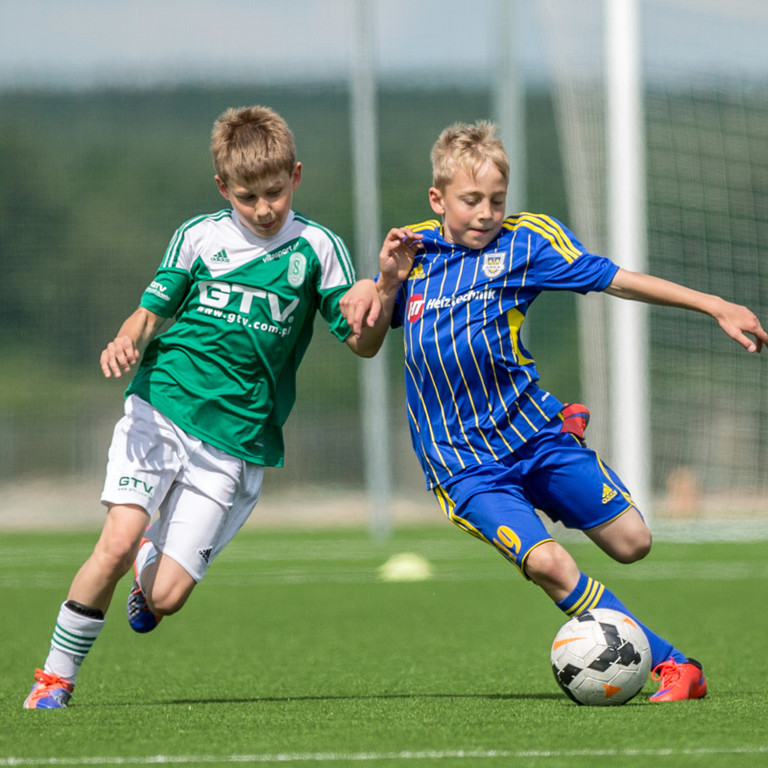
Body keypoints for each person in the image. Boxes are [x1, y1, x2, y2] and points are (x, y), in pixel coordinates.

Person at [340, 120, 768, 702]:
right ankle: (676, 667)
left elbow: (616, 280)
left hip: (533, 436)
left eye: (497, 199)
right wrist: (384, 282)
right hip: (464, 465)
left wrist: (713, 304)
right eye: (471, 201)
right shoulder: (409, 251)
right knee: (549, 565)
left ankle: (560, 440)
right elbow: (364, 346)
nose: (487, 213)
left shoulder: (526, 242)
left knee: (632, 542)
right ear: (438, 200)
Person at [24, 105, 381, 709]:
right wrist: (126, 339)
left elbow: (363, 345)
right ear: (224, 188)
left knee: (164, 599)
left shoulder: (318, 247)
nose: (264, 208)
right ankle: (54, 680)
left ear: (295, 175)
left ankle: (148, 562)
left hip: (235, 443)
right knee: (113, 541)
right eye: (248, 197)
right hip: (161, 407)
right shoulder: (199, 236)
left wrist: (376, 301)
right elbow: (152, 309)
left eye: (274, 192)